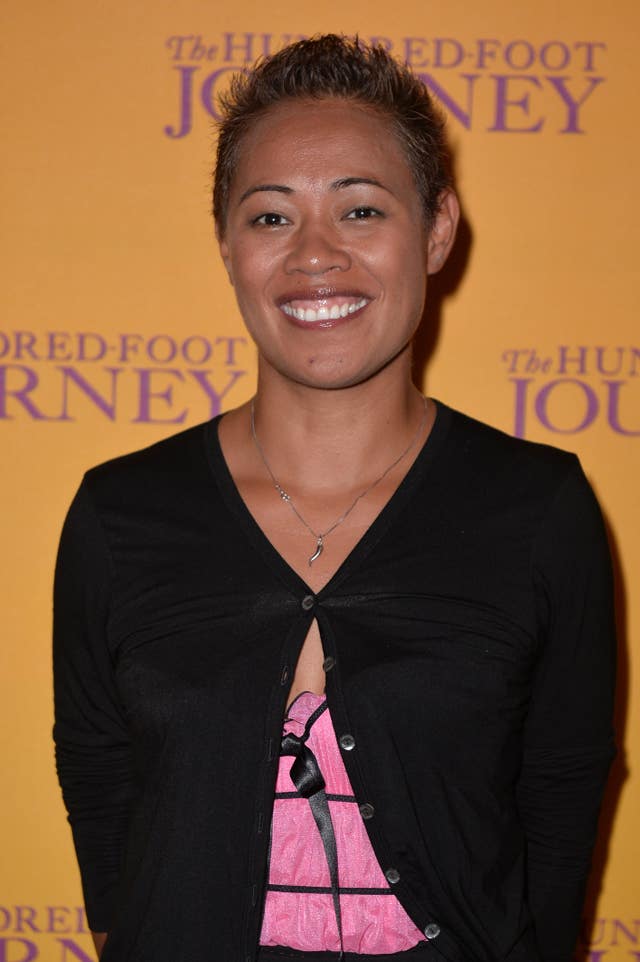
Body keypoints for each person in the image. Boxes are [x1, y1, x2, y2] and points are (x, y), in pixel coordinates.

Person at [53, 35, 616, 962]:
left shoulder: (538, 507)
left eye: (361, 209)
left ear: (437, 230)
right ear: (228, 246)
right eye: (271, 217)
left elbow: (561, 788)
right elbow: (100, 777)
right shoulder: (119, 515)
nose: (316, 255)